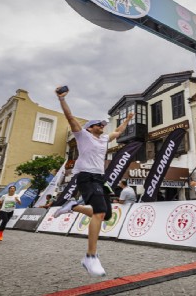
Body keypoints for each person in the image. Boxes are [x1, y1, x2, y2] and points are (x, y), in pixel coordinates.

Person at [53, 86, 134, 277]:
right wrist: (62, 100)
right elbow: (70, 118)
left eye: (103, 124)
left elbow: (118, 132)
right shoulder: (83, 135)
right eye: (98, 124)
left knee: (105, 215)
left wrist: (128, 120)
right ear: (90, 127)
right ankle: (90, 257)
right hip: (86, 176)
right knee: (98, 213)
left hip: (99, 178)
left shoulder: (104, 138)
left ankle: (73, 206)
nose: (102, 126)